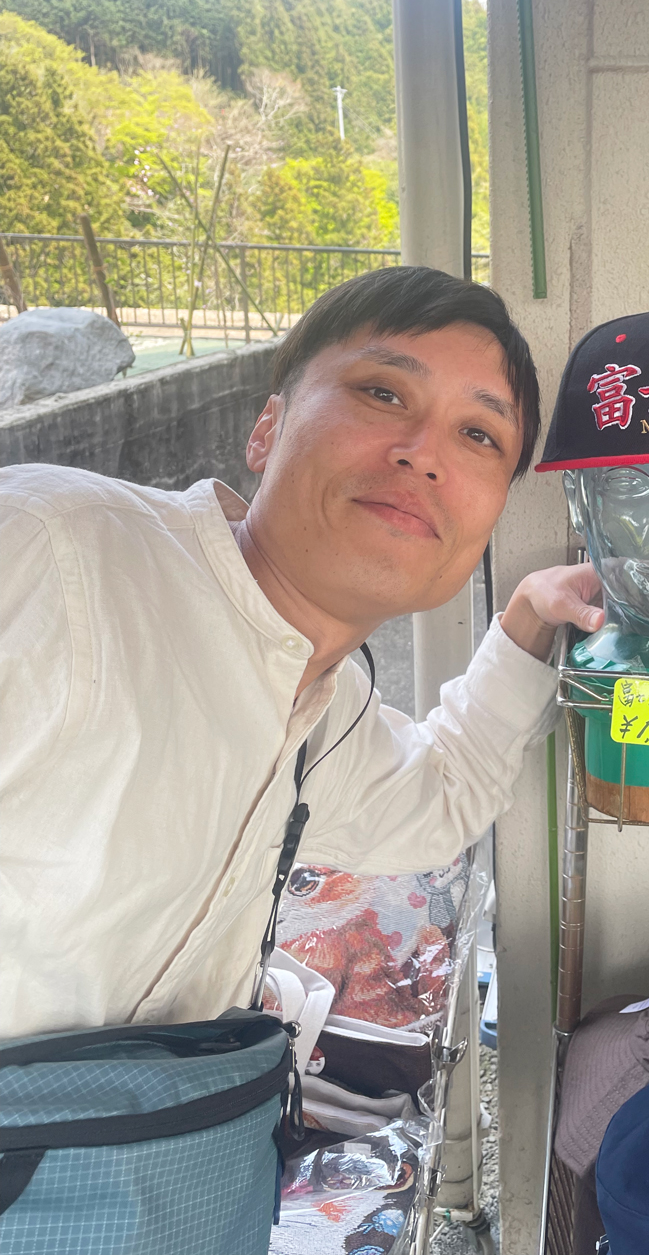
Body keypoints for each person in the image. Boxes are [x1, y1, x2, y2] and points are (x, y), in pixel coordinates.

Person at [0, 266, 603, 1040]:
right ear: (267, 430)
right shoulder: (49, 552)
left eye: (479, 435)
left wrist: (528, 616)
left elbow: (442, 795)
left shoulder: (324, 710)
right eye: (383, 394)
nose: (424, 455)